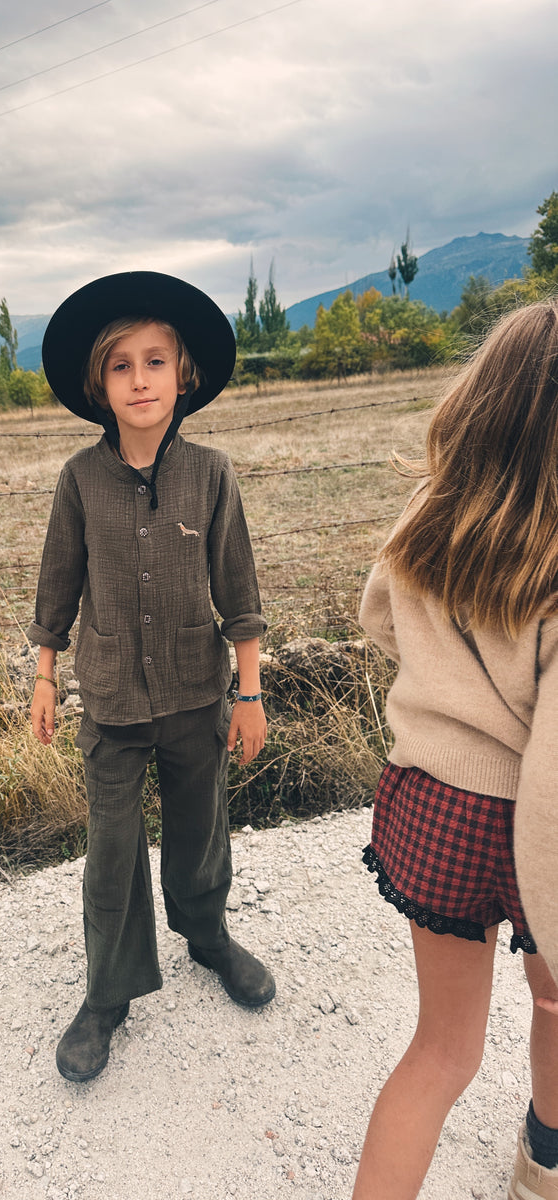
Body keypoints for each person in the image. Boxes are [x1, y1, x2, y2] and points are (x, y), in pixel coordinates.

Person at [28, 270, 275, 1083]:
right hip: (111, 702)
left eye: (156, 361)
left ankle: (207, 937)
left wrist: (249, 694)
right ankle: (108, 994)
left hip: (198, 696)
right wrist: (43, 677)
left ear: (185, 375)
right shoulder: (79, 479)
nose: (141, 379)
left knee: (201, 829)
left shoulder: (211, 474)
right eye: (122, 365)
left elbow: (238, 592)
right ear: (100, 385)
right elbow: (57, 583)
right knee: (111, 853)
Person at [354, 297, 558, 1200]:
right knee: (553, 1005)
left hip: (430, 801)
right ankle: (542, 1166)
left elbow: (375, 617)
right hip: (536, 823)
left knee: (440, 1053)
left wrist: (450, 682)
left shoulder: (429, 515)